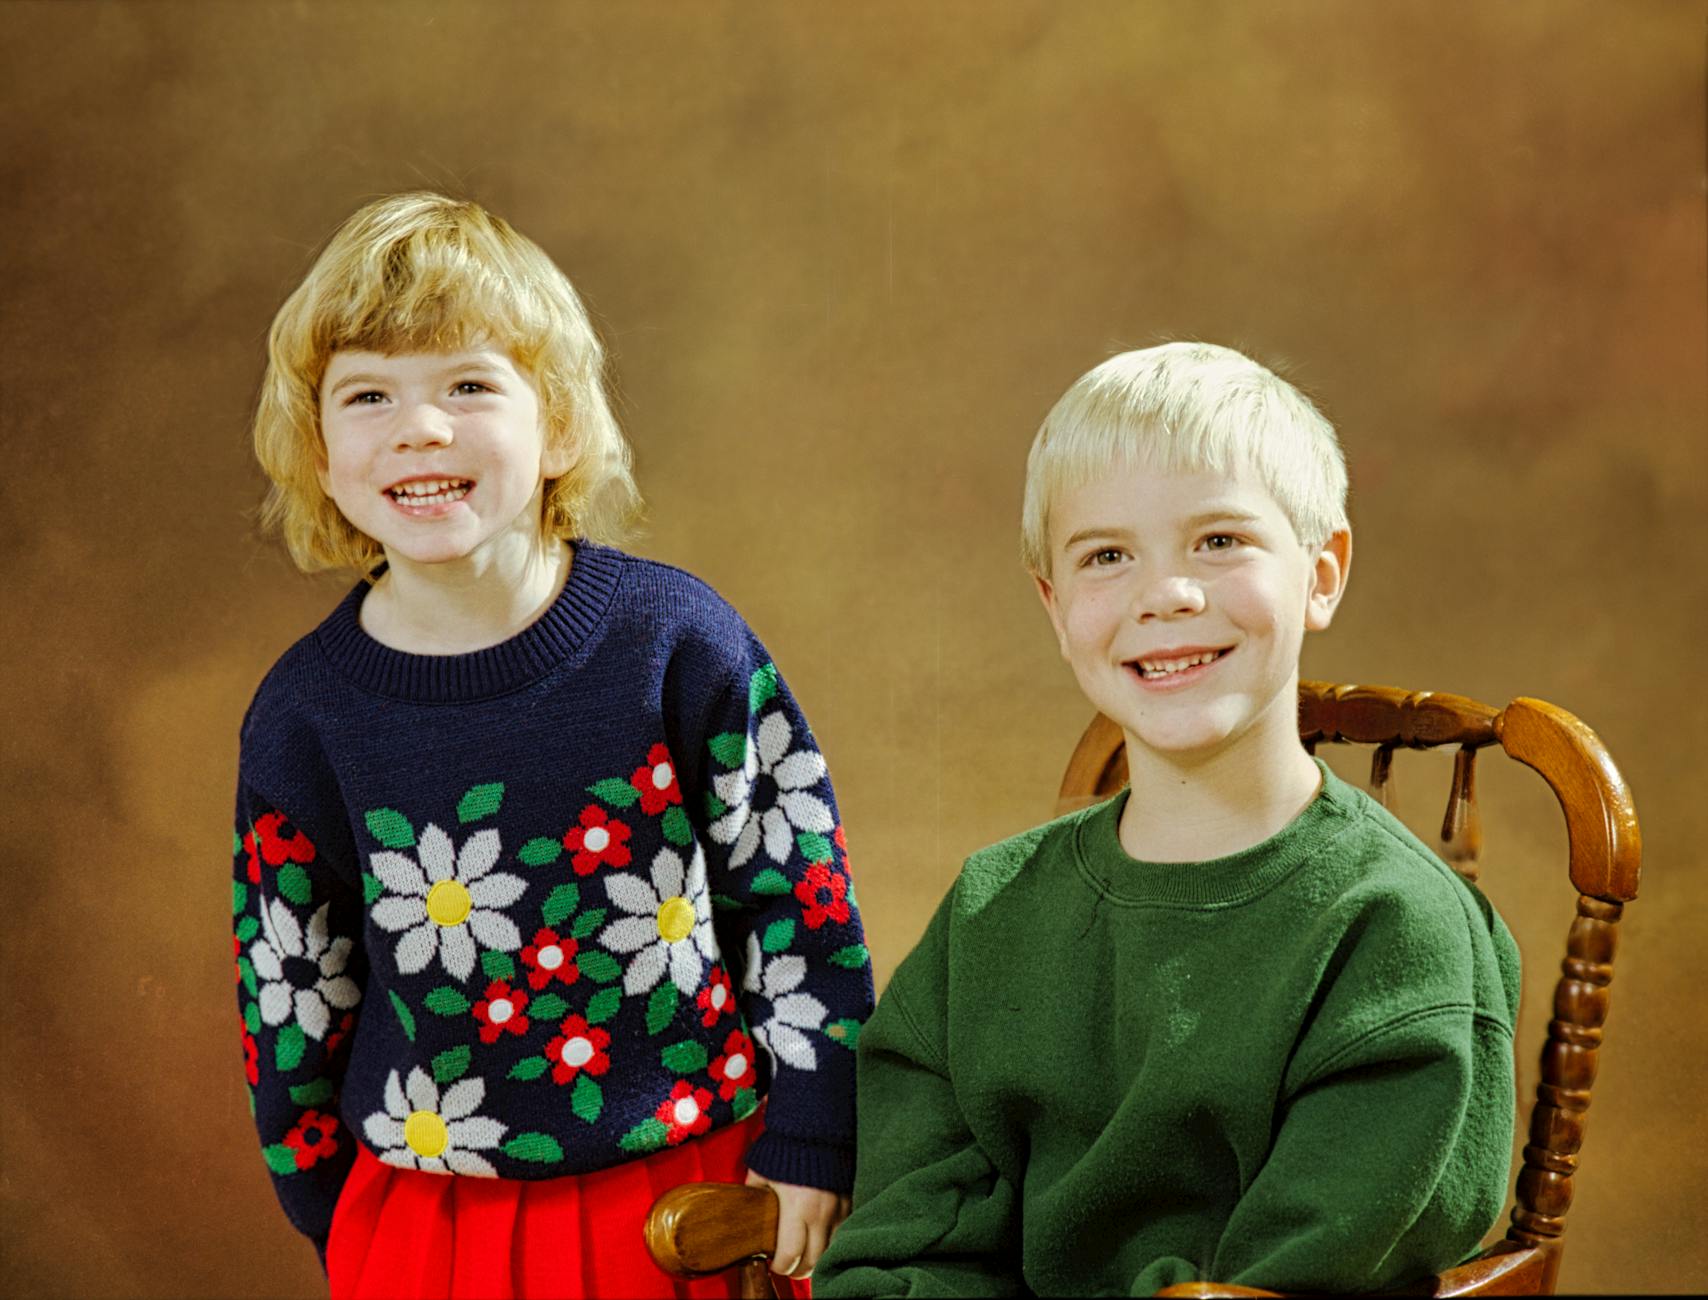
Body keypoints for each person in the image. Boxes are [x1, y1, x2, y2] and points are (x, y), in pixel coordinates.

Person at [232, 192, 873, 1298]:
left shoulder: (677, 643)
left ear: (560, 425)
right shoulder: (302, 716)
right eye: (368, 394)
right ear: (322, 454)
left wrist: (815, 1136)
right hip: (429, 1217)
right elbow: (292, 987)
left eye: (469, 384)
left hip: (692, 1195)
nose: (420, 427)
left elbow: (799, 898)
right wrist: (333, 1208)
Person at [814, 342, 1520, 1296]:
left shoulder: (1395, 932)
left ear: (1321, 573)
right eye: (1108, 556)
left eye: (1219, 541)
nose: (1166, 595)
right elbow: (906, 1247)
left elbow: (1313, 1272)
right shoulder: (989, 915)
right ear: (1056, 608)